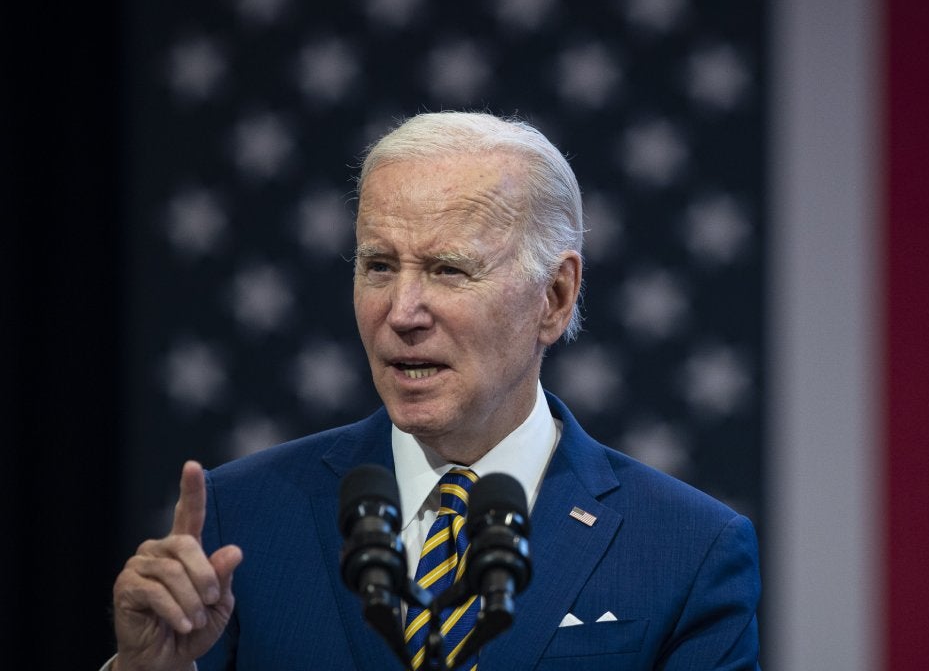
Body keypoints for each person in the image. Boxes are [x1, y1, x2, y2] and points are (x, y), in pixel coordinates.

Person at [108, 110, 762, 671]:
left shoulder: (687, 550)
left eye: (449, 269)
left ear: (555, 298)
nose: (403, 312)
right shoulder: (242, 522)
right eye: (380, 266)